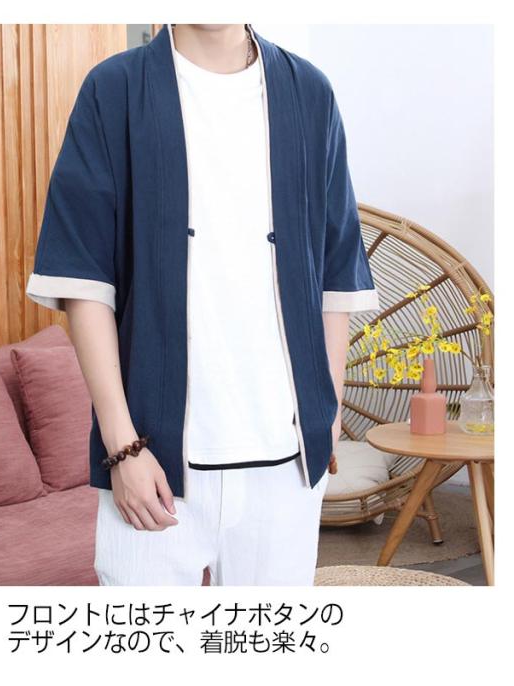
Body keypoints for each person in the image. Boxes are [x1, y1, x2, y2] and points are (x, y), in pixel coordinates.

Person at [26, 23, 379, 585]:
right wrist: (122, 448)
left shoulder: (309, 92)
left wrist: (328, 410)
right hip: (153, 461)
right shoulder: (115, 89)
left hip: (285, 467)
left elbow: (335, 269)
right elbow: (83, 282)